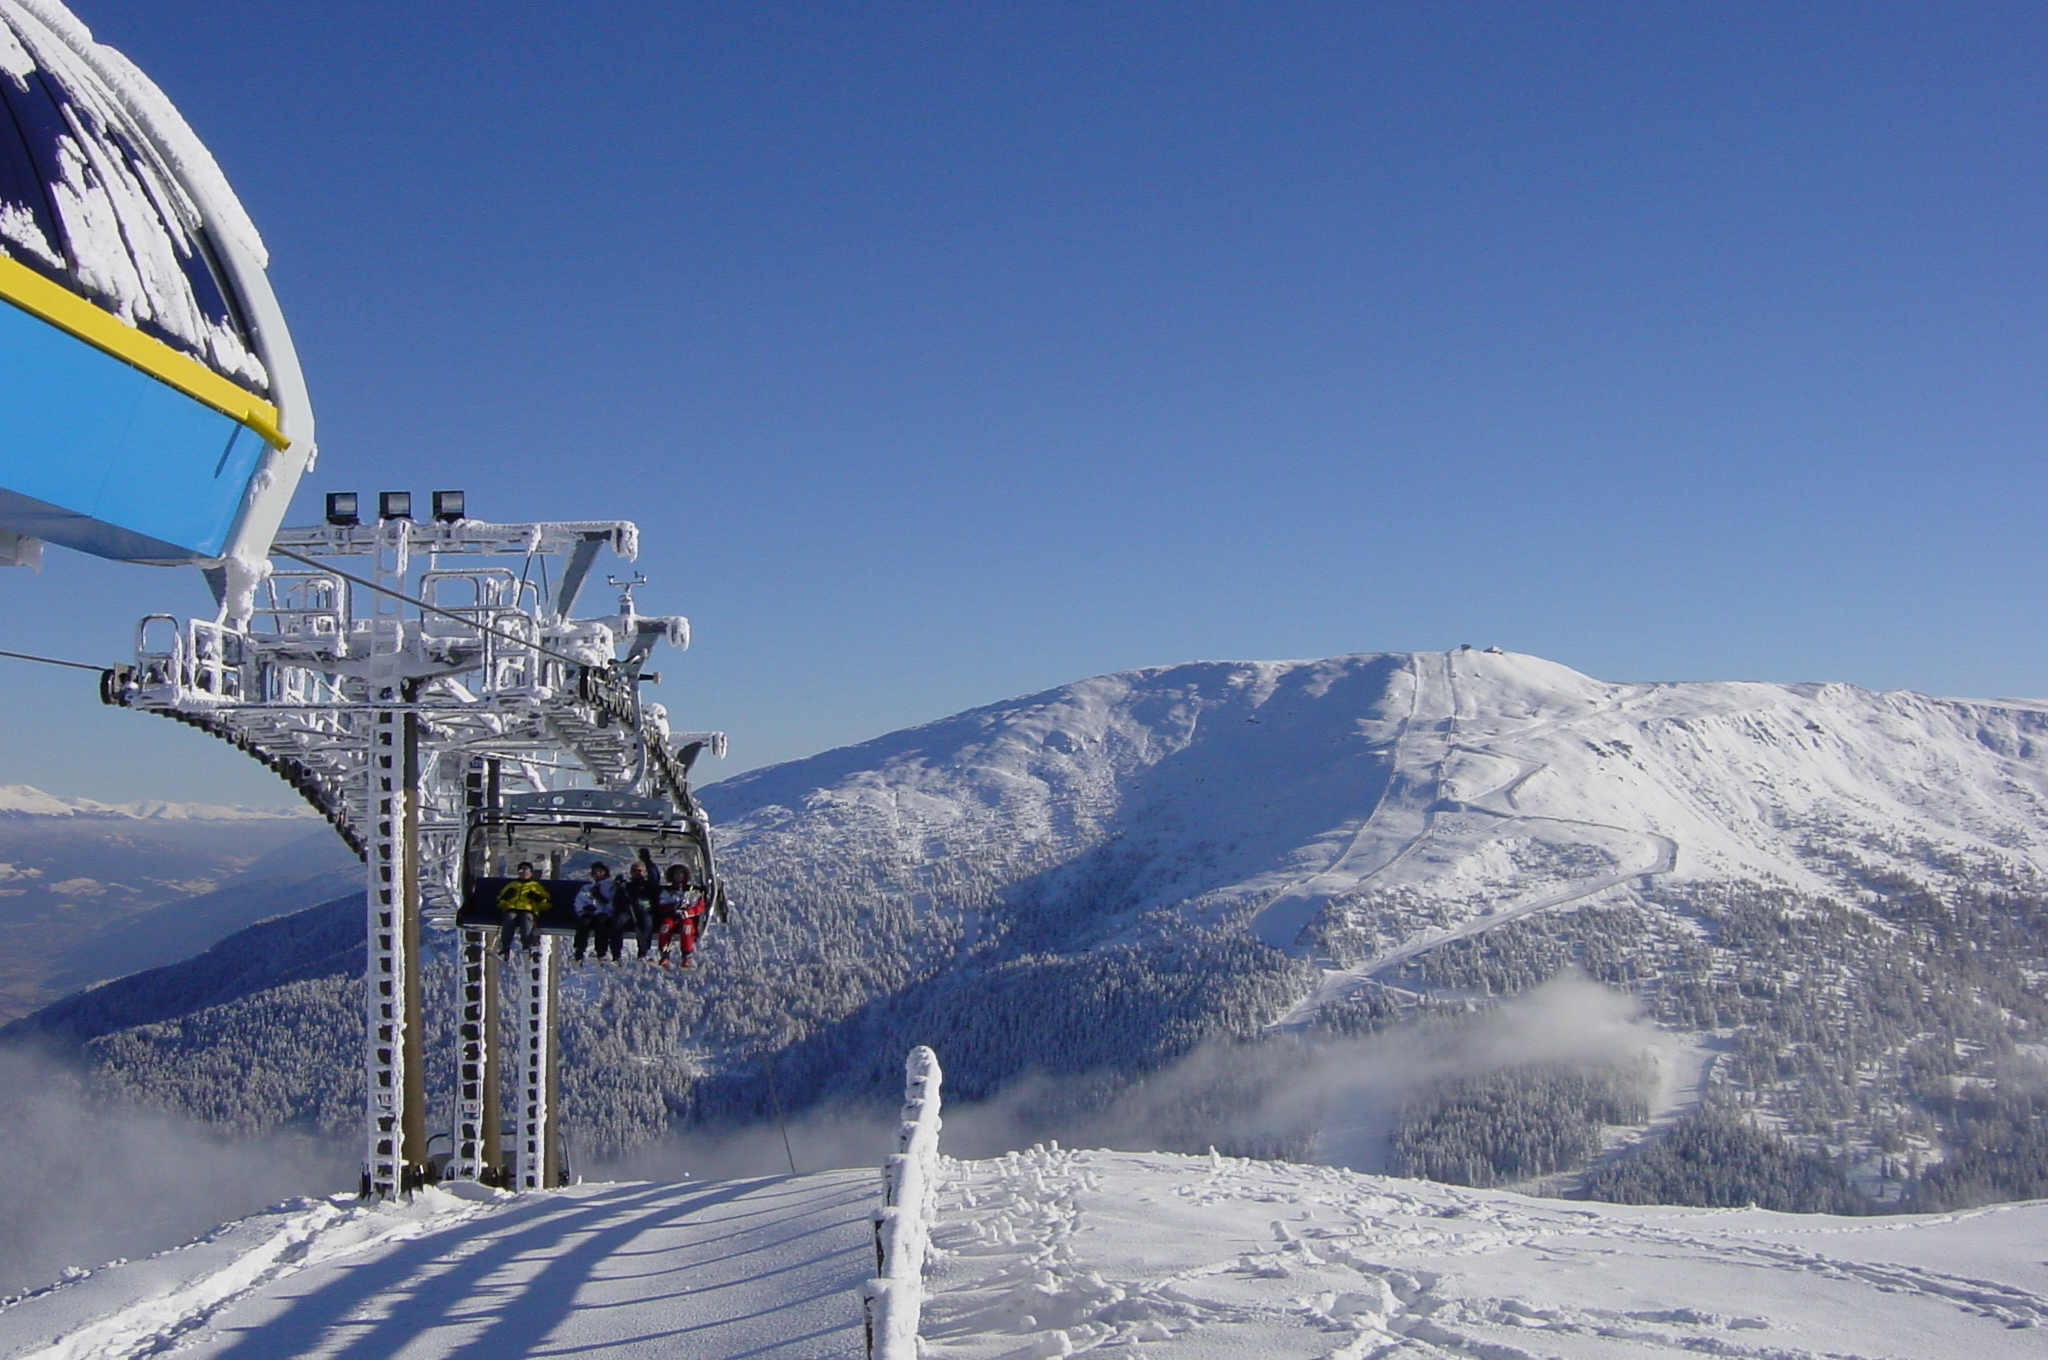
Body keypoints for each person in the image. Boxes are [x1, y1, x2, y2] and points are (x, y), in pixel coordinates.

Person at [655, 863, 707, 968]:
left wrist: (689, 912)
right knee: (665, 927)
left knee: (686, 928)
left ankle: (686, 956)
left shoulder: (693, 890)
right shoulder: (667, 891)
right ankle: (664, 955)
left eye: (681, 874)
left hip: (687, 916)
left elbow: (700, 906)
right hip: (671, 915)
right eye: (676, 874)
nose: (679, 876)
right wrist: (672, 908)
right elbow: (661, 904)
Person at [495, 861, 550, 959]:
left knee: (526, 919)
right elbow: (499, 902)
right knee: (509, 917)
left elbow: (547, 905)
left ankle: (527, 946)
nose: (524, 872)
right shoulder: (512, 885)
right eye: (521, 870)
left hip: (528, 909)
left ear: (531, 873)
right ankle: (505, 948)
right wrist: (506, 898)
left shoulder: (536, 886)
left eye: (526, 870)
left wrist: (538, 899)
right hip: (512, 908)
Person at [572, 861, 616, 964]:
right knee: (584, 923)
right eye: (595, 872)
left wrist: (603, 901)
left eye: (600, 871)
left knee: (601, 924)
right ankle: (579, 950)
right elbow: (579, 899)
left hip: (604, 913)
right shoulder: (587, 887)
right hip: (590, 913)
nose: (597, 874)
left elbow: (614, 901)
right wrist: (583, 908)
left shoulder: (611, 887)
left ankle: (601, 952)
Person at [618, 853, 660, 960]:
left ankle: (643, 952)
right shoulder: (627, 886)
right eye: (634, 871)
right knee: (617, 923)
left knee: (646, 924)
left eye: (639, 871)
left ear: (644, 873)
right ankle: (615, 952)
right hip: (629, 912)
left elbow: (655, 876)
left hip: (644, 911)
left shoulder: (649, 885)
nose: (637, 873)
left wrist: (648, 861)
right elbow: (617, 900)